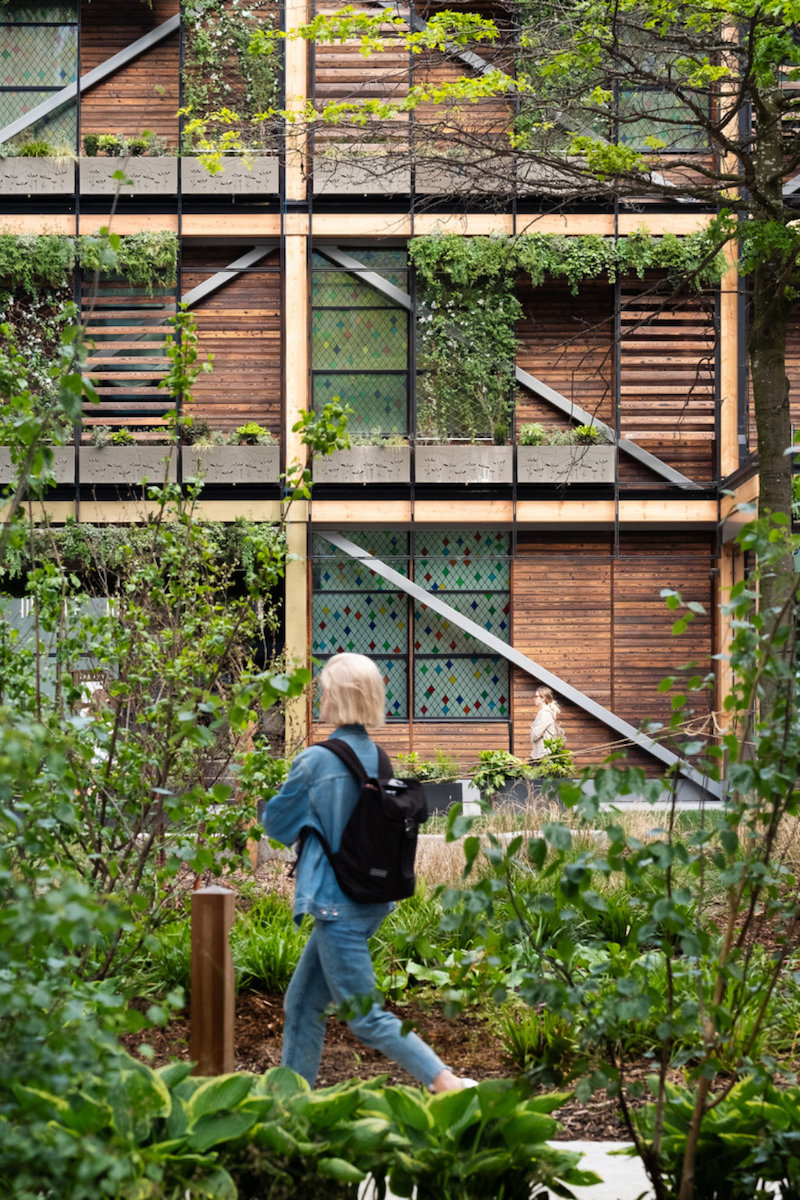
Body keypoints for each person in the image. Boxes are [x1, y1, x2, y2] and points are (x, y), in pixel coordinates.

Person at [262, 652, 473, 1092]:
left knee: (364, 1015)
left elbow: (277, 826)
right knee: (301, 1005)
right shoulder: (378, 759)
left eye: (322, 690)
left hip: (337, 906)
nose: (319, 696)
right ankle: (288, 1102)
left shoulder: (315, 762)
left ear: (334, 697)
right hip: (371, 899)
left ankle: (445, 1081)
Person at [529, 686, 561, 762]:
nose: (534, 698)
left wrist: (533, 733)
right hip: (539, 754)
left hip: (544, 755)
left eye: (536, 696)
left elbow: (535, 735)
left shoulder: (546, 713)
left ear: (543, 698)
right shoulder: (542, 712)